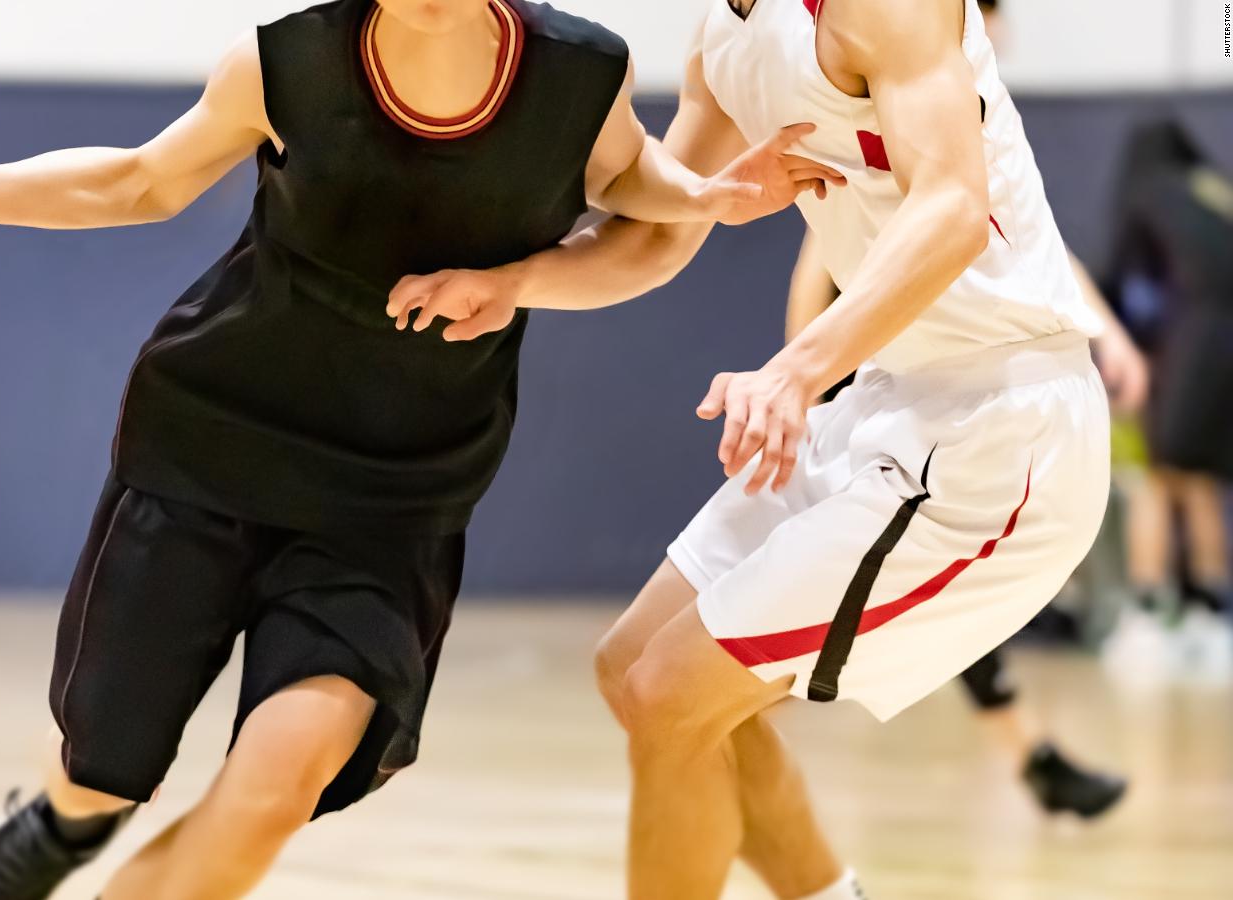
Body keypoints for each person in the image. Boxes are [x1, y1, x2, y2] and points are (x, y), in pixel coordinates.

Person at [0, 2, 843, 898]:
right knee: (107, 774)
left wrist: (705, 194)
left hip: (393, 503)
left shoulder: (575, 72)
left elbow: (627, 176)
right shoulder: (290, 58)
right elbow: (140, 182)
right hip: (209, 451)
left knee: (274, 786)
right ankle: (62, 821)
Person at [389, 0, 1111, 894]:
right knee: (632, 670)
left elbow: (955, 210)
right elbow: (660, 230)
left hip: (1004, 428)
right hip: (895, 400)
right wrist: (514, 283)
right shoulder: (725, 38)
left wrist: (795, 371)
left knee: (671, 697)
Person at [778, 2, 1131, 818]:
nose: (993, 35)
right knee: (806, 614)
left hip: (952, 405)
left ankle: (1030, 758)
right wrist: (806, 382)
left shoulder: (966, 104)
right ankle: (733, 731)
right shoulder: (904, 84)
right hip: (884, 400)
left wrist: (1108, 333)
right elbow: (818, 255)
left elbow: (1036, 254)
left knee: (945, 599)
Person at [1102, 118, 1233, 671]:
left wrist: (1127, 351)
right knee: (1199, 478)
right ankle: (1210, 615)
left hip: (1194, 343)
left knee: (1155, 476)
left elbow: (1122, 282)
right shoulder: (1215, 189)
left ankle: (1149, 615)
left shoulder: (1150, 191)